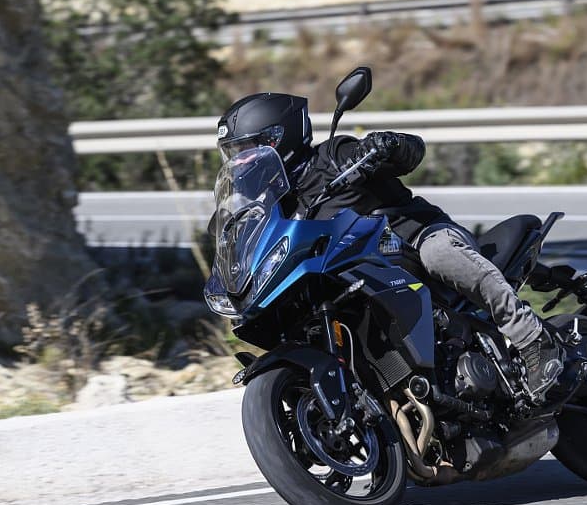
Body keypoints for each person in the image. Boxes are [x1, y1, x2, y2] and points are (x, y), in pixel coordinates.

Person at [215, 91, 562, 397]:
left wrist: (388, 145)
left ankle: (532, 339)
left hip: (413, 238)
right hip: (353, 277)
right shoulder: (274, 203)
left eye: (247, 149)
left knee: (438, 253)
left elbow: (411, 154)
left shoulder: (333, 155)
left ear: (279, 138)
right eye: (233, 154)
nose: (240, 161)